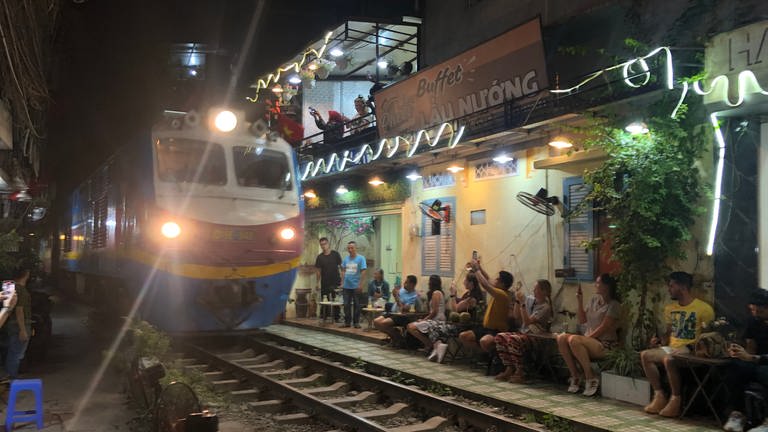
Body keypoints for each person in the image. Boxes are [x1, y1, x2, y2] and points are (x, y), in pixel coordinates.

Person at [642, 271, 715, 417]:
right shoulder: (670, 309)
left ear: (682, 287)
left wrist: (692, 347)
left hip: (691, 348)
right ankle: (659, 395)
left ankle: (676, 399)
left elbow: (708, 337)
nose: (669, 289)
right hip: (672, 347)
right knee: (646, 355)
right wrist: (657, 342)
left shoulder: (703, 309)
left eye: (671, 285)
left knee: (669, 359)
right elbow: (669, 334)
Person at [556, 273, 621, 396]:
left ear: (606, 286)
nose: (595, 285)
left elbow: (604, 327)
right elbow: (582, 321)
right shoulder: (593, 300)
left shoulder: (614, 305)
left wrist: (584, 338)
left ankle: (590, 377)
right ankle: (575, 375)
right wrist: (580, 301)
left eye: (598, 283)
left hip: (605, 344)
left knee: (574, 340)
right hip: (589, 341)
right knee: (561, 338)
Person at [721, 288, 768, 432]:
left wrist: (752, 358)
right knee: (736, 366)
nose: (754, 312)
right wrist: (740, 353)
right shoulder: (753, 321)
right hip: (757, 362)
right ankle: (738, 415)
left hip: (765, 363)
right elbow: (751, 348)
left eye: (759, 310)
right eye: (752, 309)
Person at [494, 279, 554, 383]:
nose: (533, 291)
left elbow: (527, 322)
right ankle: (509, 368)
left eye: (536, 289)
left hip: (535, 337)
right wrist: (517, 300)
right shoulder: (530, 300)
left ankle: (520, 371)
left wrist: (522, 304)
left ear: (544, 291)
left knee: (513, 339)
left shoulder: (545, 307)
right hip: (523, 333)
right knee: (500, 337)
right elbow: (516, 316)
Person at [458, 259, 513, 355]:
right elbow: (488, 280)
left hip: (497, 331)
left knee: (484, 341)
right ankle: (483, 355)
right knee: (463, 336)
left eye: (497, 279)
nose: (494, 280)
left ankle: (489, 356)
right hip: (486, 328)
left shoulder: (502, 294)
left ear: (502, 284)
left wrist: (476, 269)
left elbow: (485, 284)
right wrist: (480, 268)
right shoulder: (498, 290)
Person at [3, 265, 32, 380]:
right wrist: (23, 330)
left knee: (12, 352)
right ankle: (11, 380)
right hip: (19, 325)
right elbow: (19, 311)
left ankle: (9, 378)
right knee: (16, 354)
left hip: (10, 324)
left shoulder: (11, 288)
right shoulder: (21, 291)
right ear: (26, 274)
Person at [406, 275, 446, 354]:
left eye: (429, 282)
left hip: (437, 320)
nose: (428, 284)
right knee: (411, 325)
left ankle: (429, 344)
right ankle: (428, 345)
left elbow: (435, 311)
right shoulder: (434, 294)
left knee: (411, 327)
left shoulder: (436, 293)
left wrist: (424, 319)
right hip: (433, 318)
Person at [374, 275, 418, 345]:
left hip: (401, 316)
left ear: (412, 284)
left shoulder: (414, 296)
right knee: (376, 322)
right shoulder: (402, 290)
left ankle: (399, 339)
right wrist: (395, 293)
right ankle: (395, 337)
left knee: (383, 323)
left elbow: (404, 309)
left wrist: (396, 297)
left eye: (406, 282)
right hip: (393, 312)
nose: (404, 284)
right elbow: (396, 296)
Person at [340, 241, 367, 328]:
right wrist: (342, 282)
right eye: (349, 248)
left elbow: (363, 271)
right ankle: (347, 322)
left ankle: (356, 322)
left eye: (352, 248)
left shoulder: (361, 258)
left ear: (356, 248)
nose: (350, 250)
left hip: (356, 286)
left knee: (357, 305)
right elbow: (343, 270)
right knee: (346, 304)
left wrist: (360, 284)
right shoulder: (346, 259)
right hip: (346, 286)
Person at [315, 237, 342, 322]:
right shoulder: (320, 257)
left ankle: (337, 317)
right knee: (324, 299)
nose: (323, 246)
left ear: (328, 244)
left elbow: (341, 267)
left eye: (325, 244)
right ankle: (324, 316)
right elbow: (318, 271)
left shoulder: (335, 254)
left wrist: (343, 280)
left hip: (336, 280)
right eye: (321, 245)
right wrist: (317, 283)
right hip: (325, 281)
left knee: (336, 299)